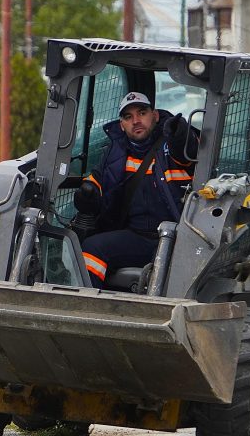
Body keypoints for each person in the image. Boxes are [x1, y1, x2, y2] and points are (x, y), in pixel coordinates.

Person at [73, 90, 199, 288]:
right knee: (91, 248)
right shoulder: (114, 153)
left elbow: (187, 151)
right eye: (128, 117)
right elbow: (95, 183)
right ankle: (88, 306)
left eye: (142, 113)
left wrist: (180, 134)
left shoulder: (172, 145)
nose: (136, 121)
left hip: (178, 238)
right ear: (122, 125)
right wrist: (86, 194)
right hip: (137, 237)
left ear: (155, 116)